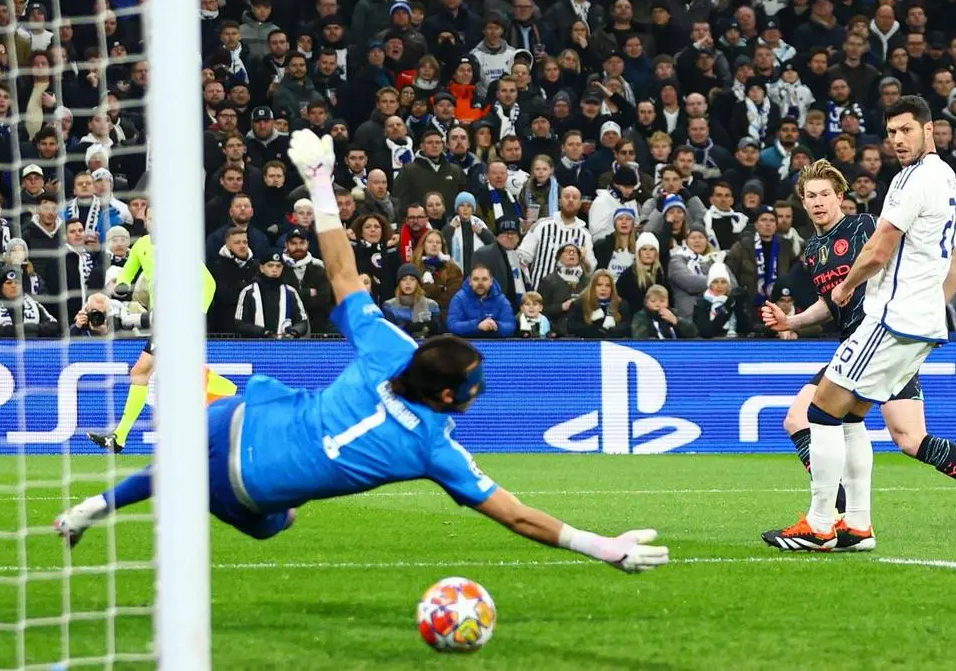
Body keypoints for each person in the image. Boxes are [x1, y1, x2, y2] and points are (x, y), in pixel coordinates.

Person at [56, 133, 670, 577]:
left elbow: (343, 273)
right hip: (248, 487)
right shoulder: (432, 446)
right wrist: (602, 547)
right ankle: (121, 497)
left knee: (190, 462)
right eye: (473, 388)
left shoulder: (392, 347)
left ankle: (98, 503)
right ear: (447, 397)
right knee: (273, 518)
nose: (478, 393)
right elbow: (517, 516)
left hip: (237, 416)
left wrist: (322, 183)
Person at [761, 104, 956, 554]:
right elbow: (832, 302)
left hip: (886, 326)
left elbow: (897, 249)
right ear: (802, 202)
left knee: (820, 414)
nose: (818, 201)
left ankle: (824, 521)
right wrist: (793, 321)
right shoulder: (814, 250)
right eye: (810, 196)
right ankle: (857, 521)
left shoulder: (869, 220)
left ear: (841, 196)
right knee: (878, 428)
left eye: (825, 193)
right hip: (883, 333)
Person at [88, 211, 219, 453]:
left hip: (178, 319)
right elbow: (126, 275)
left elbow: (209, 283)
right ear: (145, 221)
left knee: (144, 372)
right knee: (159, 373)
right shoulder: (142, 245)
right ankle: (119, 438)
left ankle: (120, 437)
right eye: (151, 218)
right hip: (162, 320)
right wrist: (118, 288)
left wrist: (197, 315)